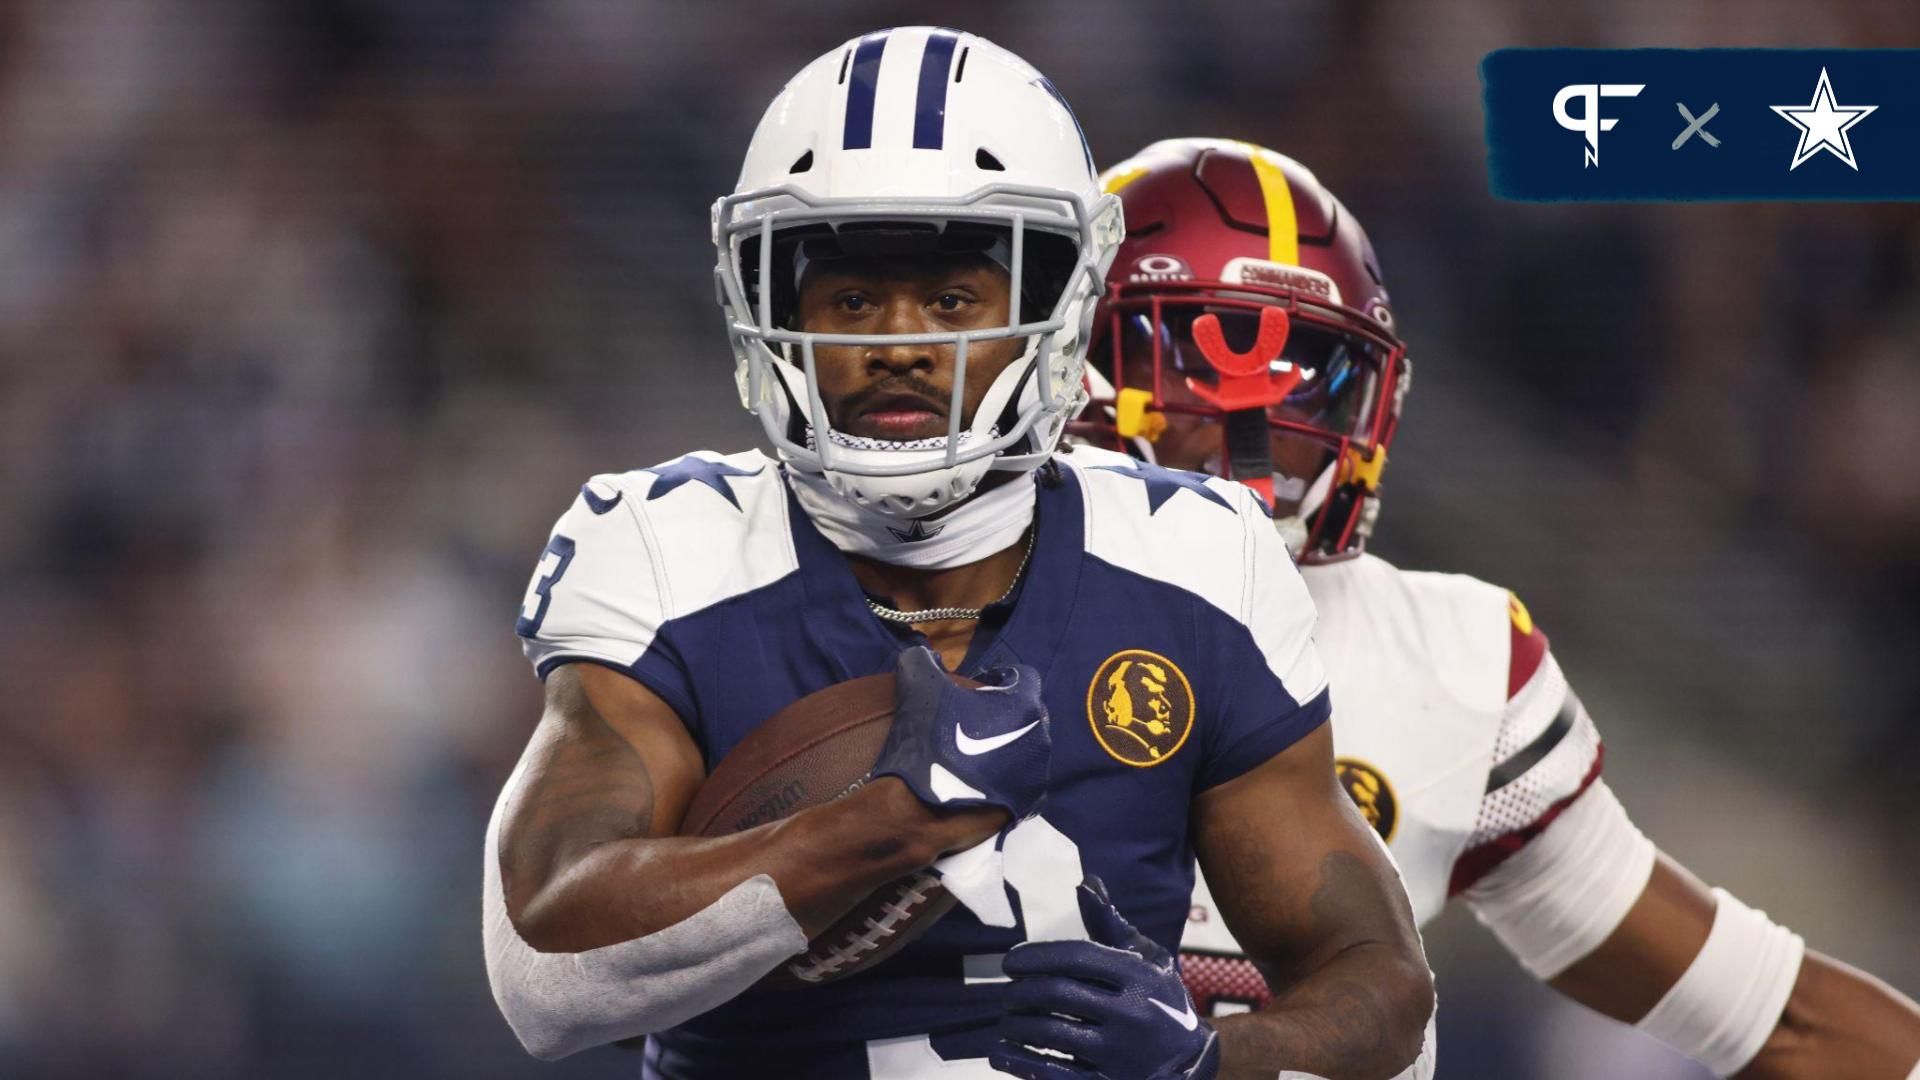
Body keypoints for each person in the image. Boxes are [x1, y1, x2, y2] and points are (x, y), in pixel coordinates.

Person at [482, 32, 1435, 1080]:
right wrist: (880, 826)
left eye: (950, 299)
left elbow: (1379, 983)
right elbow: (542, 979)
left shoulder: (1197, 556)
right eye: (849, 299)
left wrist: (1210, 1061)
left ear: (1057, 309)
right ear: (765, 303)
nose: (898, 342)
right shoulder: (667, 545)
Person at [1079, 136, 1920, 1079]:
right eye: (1208, 354)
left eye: (1311, 370)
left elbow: (1771, 1011)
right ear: (1071, 363)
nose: (1262, 427)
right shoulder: (931, 606)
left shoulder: (1446, 665)